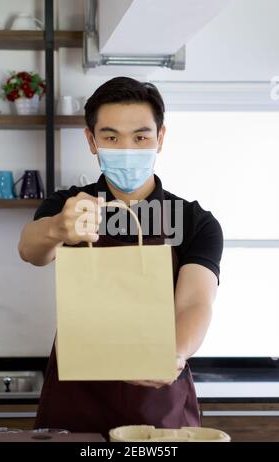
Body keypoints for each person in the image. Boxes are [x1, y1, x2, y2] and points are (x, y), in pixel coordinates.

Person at [18, 77, 223, 440]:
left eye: (141, 137)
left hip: (159, 406)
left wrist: (173, 354)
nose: (126, 148)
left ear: (160, 138)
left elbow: (194, 301)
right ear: (92, 140)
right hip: (75, 405)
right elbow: (31, 251)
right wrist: (57, 230)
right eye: (111, 137)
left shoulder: (194, 221)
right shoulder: (70, 206)